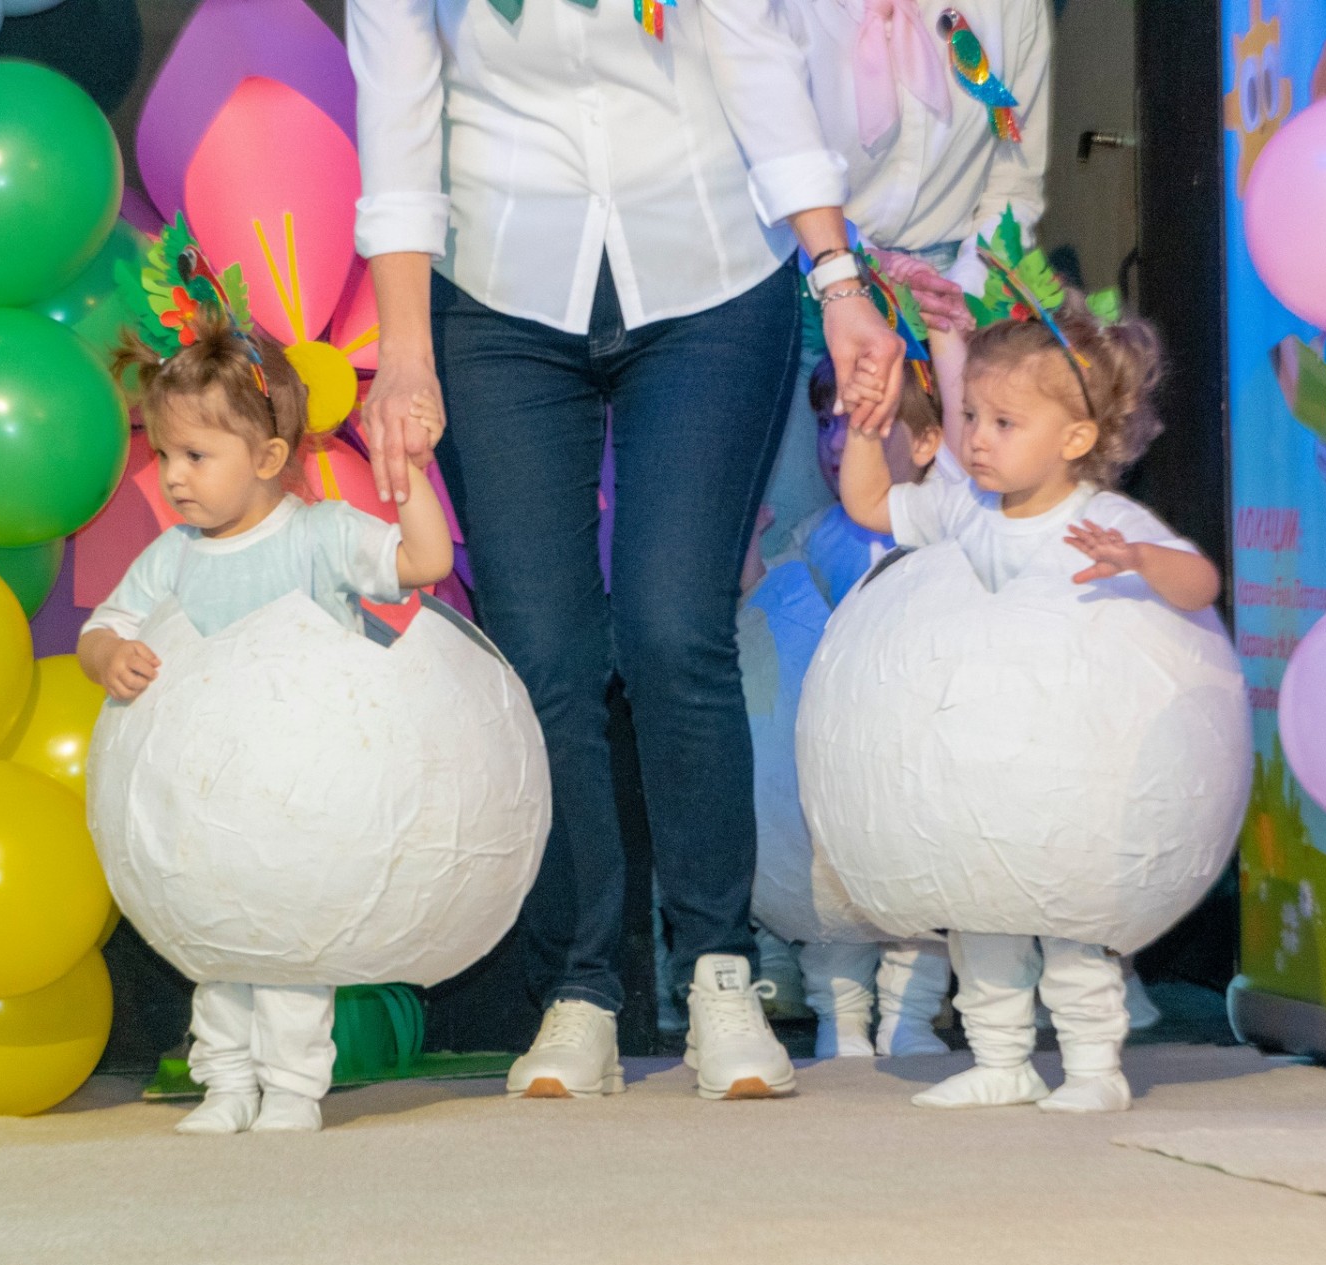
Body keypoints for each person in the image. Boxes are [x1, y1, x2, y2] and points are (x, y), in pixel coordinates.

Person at [346, 0, 906, 1102]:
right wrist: (403, 350)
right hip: (496, 290)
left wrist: (838, 282)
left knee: (671, 627)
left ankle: (718, 971)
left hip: (708, 273)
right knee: (543, 648)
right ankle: (579, 989)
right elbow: (399, 113)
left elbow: (758, 63)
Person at [836, 299, 1218, 1112]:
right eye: (972, 415)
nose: (977, 437)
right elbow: (871, 507)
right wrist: (866, 430)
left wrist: (1139, 558)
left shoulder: (1101, 519)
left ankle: (1093, 1066)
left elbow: (1200, 584)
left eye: (1004, 422)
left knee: (1072, 927)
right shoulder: (961, 510)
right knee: (984, 924)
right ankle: (1000, 1058)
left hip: (1072, 779)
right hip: (984, 777)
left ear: (1075, 439)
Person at [80, 308, 456, 1134]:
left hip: (301, 794)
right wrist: (109, 656)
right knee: (215, 937)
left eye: (195, 456)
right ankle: (224, 1080)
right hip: (204, 796)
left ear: (269, 458)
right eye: (164, 454)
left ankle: (289, 1086)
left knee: (289, 941)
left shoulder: (318, 537)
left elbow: (425, 562)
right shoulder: (174, 555)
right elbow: (103, 627)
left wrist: (411, 476)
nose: (173, 476)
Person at [762, 0, 1052, 553]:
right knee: (791, 538)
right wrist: (860, 271)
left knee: (952, 536)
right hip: (810, 283)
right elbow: (770, 156)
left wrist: (957, 296)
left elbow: (1013, 185)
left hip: (956, 300)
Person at [748, 356, 957, 1060]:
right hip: (832, 756)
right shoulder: (812, 536)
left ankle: (910, 1015)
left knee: (921, 886)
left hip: (913, 749)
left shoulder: (941, 530)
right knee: (831, 885)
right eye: (825, 423)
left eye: (863, 421)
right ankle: (840, 1018)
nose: (838, 441)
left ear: (928, 443)